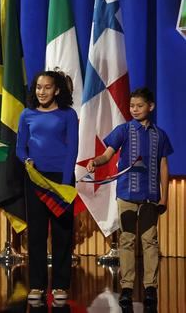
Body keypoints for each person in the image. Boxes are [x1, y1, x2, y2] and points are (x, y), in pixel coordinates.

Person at [86, 87, 172, 308]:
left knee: (149, 241)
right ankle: (126, 287)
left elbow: (163, 165)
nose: (134, 109)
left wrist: (164, 197)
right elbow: (108, 154)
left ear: (150, 107)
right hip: (126, 193)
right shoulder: (123, 130)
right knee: (127, 240)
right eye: (132, 106)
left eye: (139, 106)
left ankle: (150, 287)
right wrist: (96, 161)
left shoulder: (159, 134)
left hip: (150, 196)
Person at [16, 70, 78, 305]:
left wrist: (64, 182)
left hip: (61, 179)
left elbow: (72, 149)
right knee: (37, 235)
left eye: (47, 87)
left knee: (62, 234)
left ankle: (61, 285)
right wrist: (27, 162)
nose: (42, 92)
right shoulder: (26, 114)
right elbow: (20, 148)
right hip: (35, 179)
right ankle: (37, 285)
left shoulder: (68, 115)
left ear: (57, 90)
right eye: (39, 87)